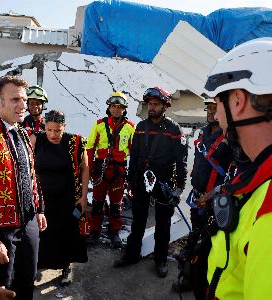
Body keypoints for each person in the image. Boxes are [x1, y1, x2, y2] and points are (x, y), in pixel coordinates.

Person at [202, 38, 272, 299]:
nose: (217, 115)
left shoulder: (270, 205)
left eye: (218, 102)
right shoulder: (257, 175)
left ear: (238, 100)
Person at [0, 75, 47, 300]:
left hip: (29, 218)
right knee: (3, 287)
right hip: (1, 224)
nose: (23, 105)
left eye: (24, 99)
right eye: (15, 99)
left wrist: (39, 208)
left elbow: (31, 174)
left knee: (27, 278)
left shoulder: (22, 133)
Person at [114, 86, 188, 278]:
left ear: (165, 106)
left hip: (164, 184)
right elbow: (135, 155)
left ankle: (160, 260)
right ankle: (131, 254)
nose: (152, 108)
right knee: (137, 222)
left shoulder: (174, 129)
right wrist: (130, 181)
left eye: (156, 104)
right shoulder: (141, 127)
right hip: (140, 181)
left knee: (163, 225)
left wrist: (178, 189)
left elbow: (181, 162)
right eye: (150, 104)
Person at [172, 98, 233, 299]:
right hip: (198, 197)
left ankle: (202, 281)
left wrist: (211, 196)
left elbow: (230, 176)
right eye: (208, 108)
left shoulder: (228, 138)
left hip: (213, 201)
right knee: (195, 237)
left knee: (205, 243)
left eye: (214, 108)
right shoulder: (204, 132)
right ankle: (191, 275)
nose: (209, 111)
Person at [30, 110, 89, 286]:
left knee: (68, 232)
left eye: (57, 130)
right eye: (49, 130)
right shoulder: (36, 139)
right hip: (43, 197)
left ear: (64, 127)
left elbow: (85, 168)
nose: (52, 134)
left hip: (68, 197)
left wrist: (84, 196)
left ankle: (66, 266)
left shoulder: (74, 142)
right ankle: (38, 266)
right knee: (42, 233)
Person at [86, 92, 135, 248]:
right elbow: (90, 148)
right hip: (101, 169)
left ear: (124, 109)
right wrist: (90, 169)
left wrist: (133, 173)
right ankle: (94, 231)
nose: (116, 110)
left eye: (120, 107)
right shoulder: (99, 124)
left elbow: (134, 151)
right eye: (114, 106)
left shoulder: (130, 127)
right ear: (109, 107)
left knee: (116, 204)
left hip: (119, 171)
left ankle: (114, 232)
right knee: (97, 202)